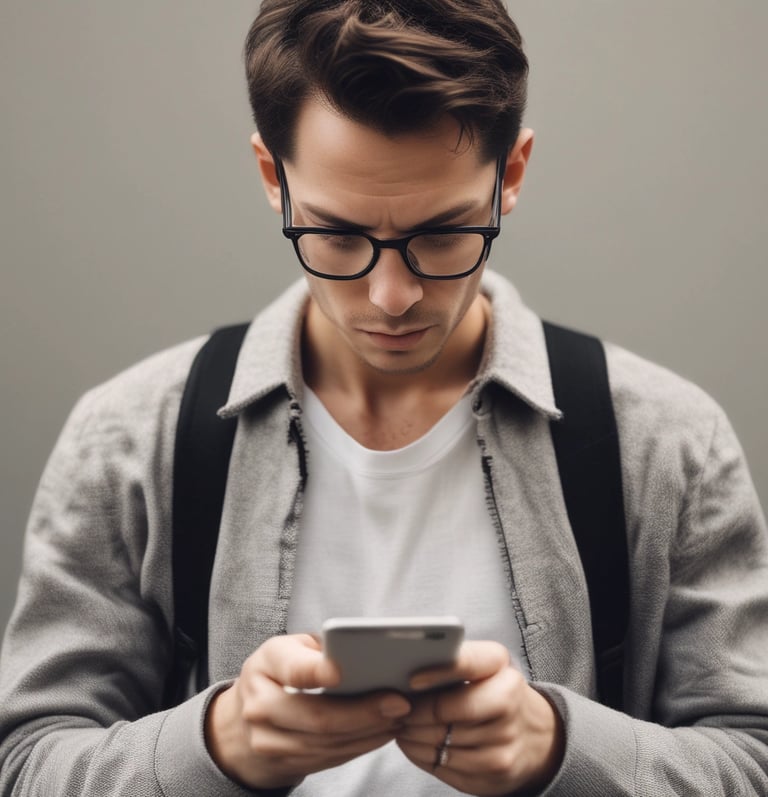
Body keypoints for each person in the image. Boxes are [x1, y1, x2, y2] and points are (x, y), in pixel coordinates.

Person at [1, 0, 767, 794]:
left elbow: (753, 757)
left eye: (442, 233)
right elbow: (25, 764)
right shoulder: (130, 438)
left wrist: (559, 748)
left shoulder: (667, 442)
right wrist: (217, 742)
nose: (391, 295)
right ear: (275, 179)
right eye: (336, 236)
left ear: (511, 177)